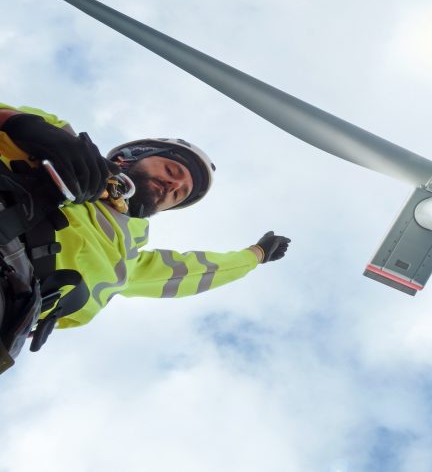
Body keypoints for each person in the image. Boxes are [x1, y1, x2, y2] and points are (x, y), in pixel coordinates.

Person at [0, 103, 290, 372]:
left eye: (179, 194)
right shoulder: (60, 141)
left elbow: (196, 272)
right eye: (172, 170)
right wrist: (24, 126)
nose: (173, 185)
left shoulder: (128, 261)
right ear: (129, 156)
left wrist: (255, 255)